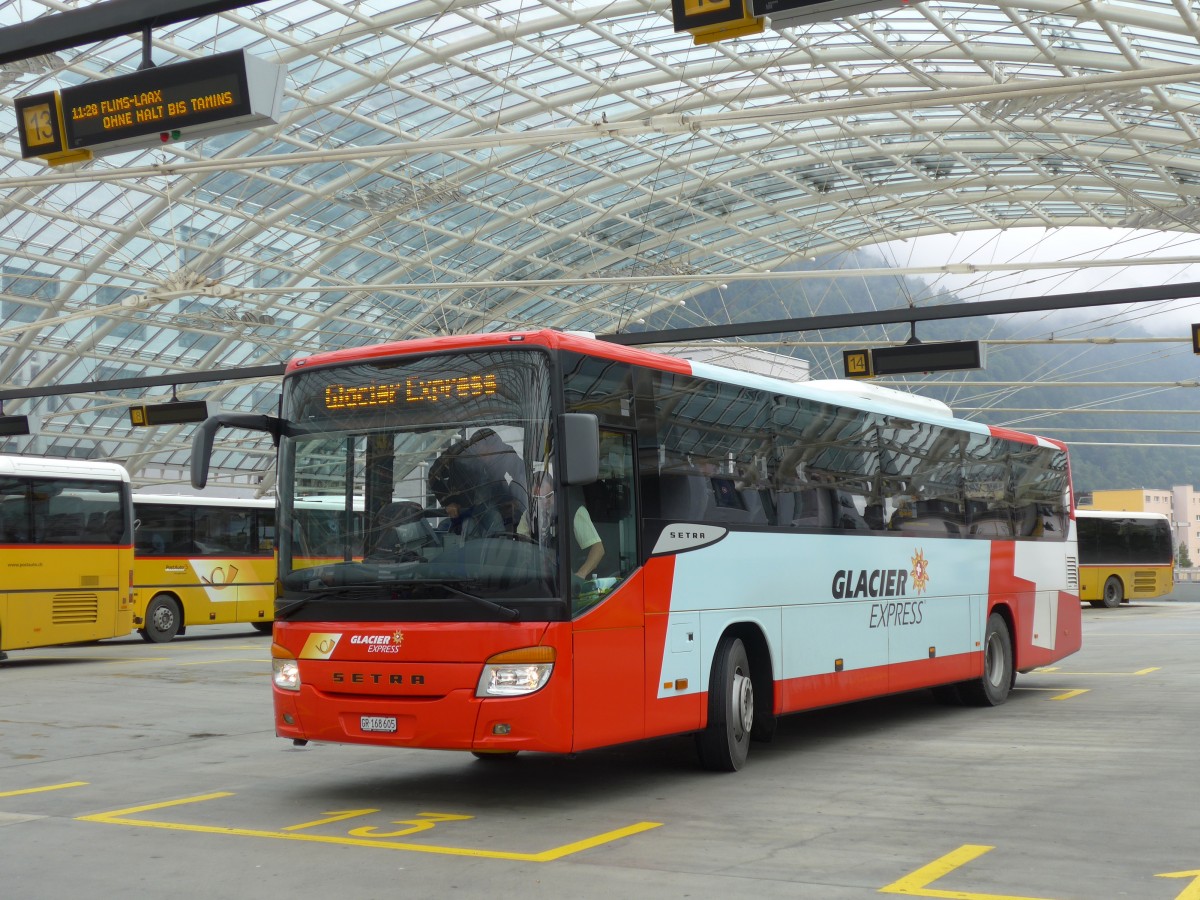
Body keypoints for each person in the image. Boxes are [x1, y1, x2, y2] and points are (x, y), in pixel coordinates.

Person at [518, 472, 604, 583]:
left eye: (548, 496)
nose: (544, 502)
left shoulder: (574, 511)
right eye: (538, 498)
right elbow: (522, 546)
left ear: (555, 493)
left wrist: (580, 574)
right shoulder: (528, 515)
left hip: (569, 584)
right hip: (540, 582)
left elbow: (598, 549)